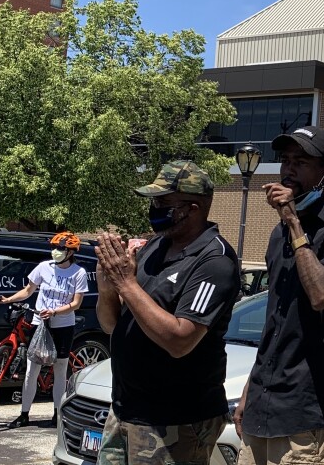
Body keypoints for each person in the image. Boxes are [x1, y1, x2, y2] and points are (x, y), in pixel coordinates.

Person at [235, 126, 324, 465]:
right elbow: (277, 321)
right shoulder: (278, 232)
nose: (288, 169)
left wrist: (295, 224)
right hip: (261, 410)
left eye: (301, 162)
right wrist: (249, 391)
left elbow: (321, 294)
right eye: (284, 160)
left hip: (307, 415)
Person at [94, 160, 240, 464]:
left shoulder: (215, 261)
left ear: (194, 208)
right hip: (125, 410)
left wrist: (126, 283)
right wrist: (109, 288)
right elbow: (111, 326)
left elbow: (180, 340)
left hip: (176, 421)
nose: (155, 208)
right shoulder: (155, 247)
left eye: (164, 202)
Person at [0, 231, 88, 428]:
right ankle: (24, 414)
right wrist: (7, 299)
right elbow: (28, 290)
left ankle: (57, 414)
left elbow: (76, 303)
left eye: (60, 248)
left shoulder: (78, 273)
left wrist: (54, 312)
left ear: (70, 252)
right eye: (54, 248)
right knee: (31, 369)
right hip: (39, 324)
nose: (55, 252)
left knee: (60, 370)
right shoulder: (43, 267)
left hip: (63, 325)